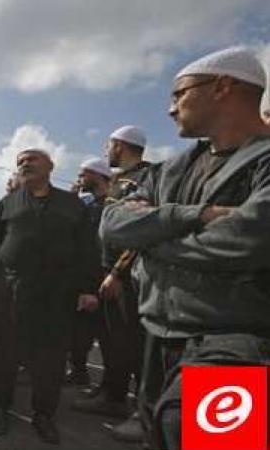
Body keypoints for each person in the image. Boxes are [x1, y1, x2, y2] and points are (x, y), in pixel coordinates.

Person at [101, 46, 270, 450]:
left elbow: (249, 241)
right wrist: (194, 215)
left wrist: (152, 243)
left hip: (236, 347)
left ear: (223, 86)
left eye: (179, 94)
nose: (171, 109)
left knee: (215, 443)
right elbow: (113, 224)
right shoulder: (172, 169)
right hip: (158, 341)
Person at [0, 148, 101, 444]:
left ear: (50, 166)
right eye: (20, 162)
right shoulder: (7, 204)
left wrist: (88, 288)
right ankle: (0, 407)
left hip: (56, 295)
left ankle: (44, 414)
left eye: (31, 159)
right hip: (12, 292)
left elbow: (87, 248)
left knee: (50, 360)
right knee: (5, 355)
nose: (24, 164)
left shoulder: (73, 205)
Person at [84, 126, 154, 442]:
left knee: (138, 347)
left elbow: (141, 230)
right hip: (108, 273)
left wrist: (117, 271)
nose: (106, 150)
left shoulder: (148, 177)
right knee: (113, 342)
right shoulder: (117, 182)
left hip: (127, 277)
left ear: (122, 146)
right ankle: (113, 397)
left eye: (109, 144)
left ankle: (146, 413)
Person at [66, 157, 113, 388]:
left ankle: (114, 394)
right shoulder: (88, 205)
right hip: (87, 277)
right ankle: (80, 372)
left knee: (112, 339)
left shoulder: (113, 205)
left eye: (84, 173)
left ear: (96, 175)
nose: (79, 178)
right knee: (80, 331)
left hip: (107, 278)